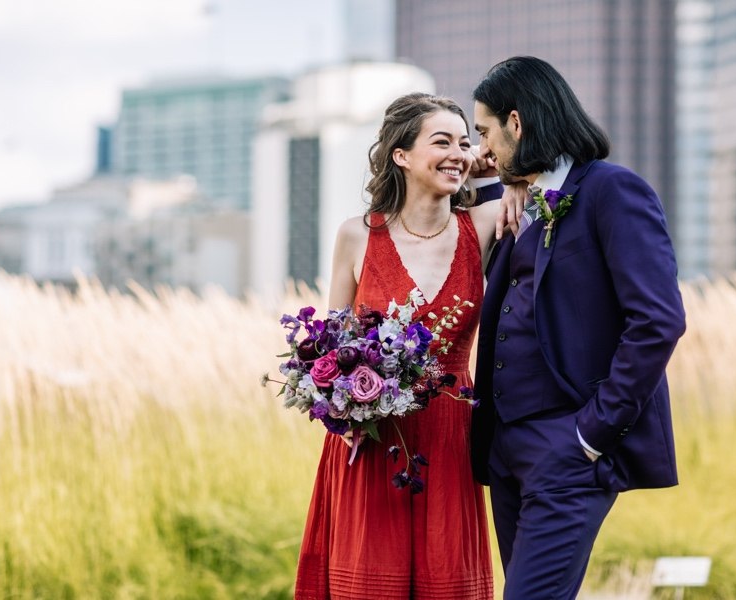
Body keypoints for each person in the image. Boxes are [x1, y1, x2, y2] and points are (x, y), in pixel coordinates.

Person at [469, 56, 687, 599]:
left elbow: (658, 320)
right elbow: (432, 204)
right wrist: (495, 175)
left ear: (517, 123)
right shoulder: (514, 201)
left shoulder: (613, 192)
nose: (482, 150)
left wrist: (592, 433)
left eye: (485, 133)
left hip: (567, 448)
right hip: (506, 450)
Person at [294, 92, 504, 600]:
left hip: (451, 435)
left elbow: (514, 182)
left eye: (464, 141)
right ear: (401, 155)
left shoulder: (484, 224)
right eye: (441, 142)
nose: (458, 152)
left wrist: (477, 169)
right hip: (371, 439)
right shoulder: (356, 236)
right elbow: (330, 349)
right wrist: (341, 414)